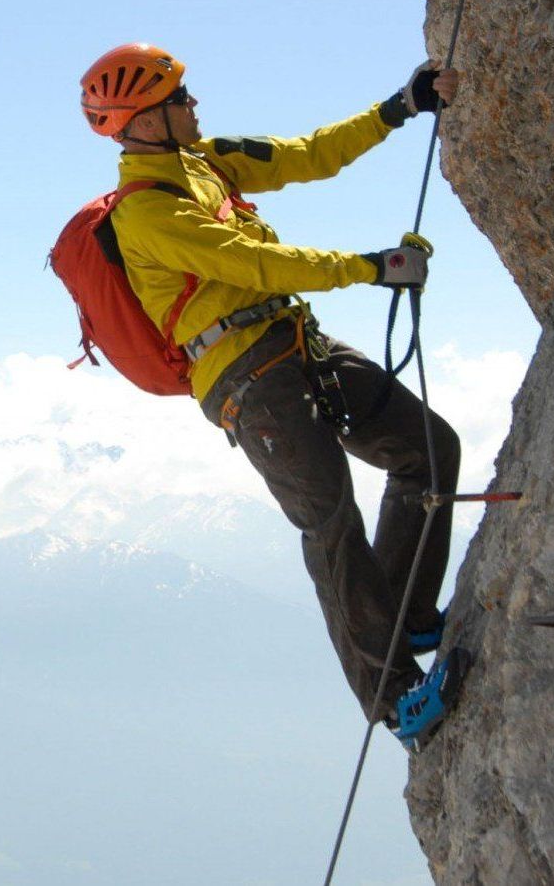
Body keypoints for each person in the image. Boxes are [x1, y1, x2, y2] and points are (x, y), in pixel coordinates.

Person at [78, 43, 466, 750]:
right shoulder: (146, 213)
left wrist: (398, 109)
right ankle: (393, 693)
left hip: (291, 343)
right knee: (329, 521)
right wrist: (369, 268)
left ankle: (407, 612)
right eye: (178, 99)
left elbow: (303, 154)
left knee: (427, 447)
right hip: (248, 381)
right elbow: (251, 261)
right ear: (140, 123)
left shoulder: (206, 161)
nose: (193, 106)